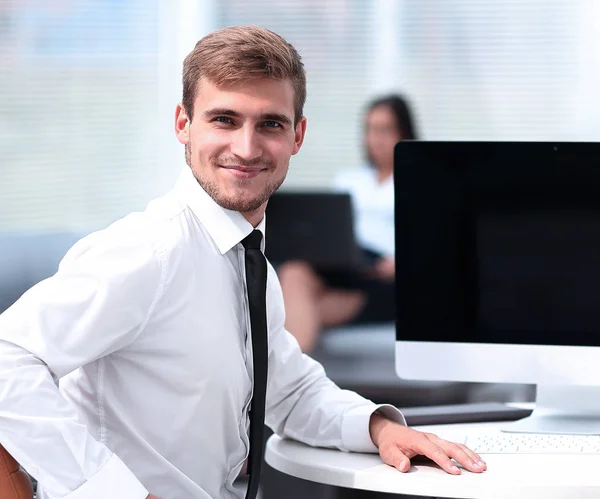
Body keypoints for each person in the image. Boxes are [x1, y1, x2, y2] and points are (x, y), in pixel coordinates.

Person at [0, 25, 485, 499]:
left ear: (297, 135)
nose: (247, 148)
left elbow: (290, 391)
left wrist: (379, 427)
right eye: (224, 119)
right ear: (182, 124)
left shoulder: (249, 262)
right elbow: (7, 359)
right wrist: (111, 492)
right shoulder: (150, 251)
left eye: (270, 124)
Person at [278, 94, 415, 352]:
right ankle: (287, 383)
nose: (376, 139)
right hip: (346, 263)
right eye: (371, 130)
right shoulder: (350, 180)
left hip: (387, 275)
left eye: (385, 130)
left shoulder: (418, 183)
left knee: (310, 308)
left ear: (404, 132)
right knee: (294, 269)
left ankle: (280, 382)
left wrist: (402, 262)